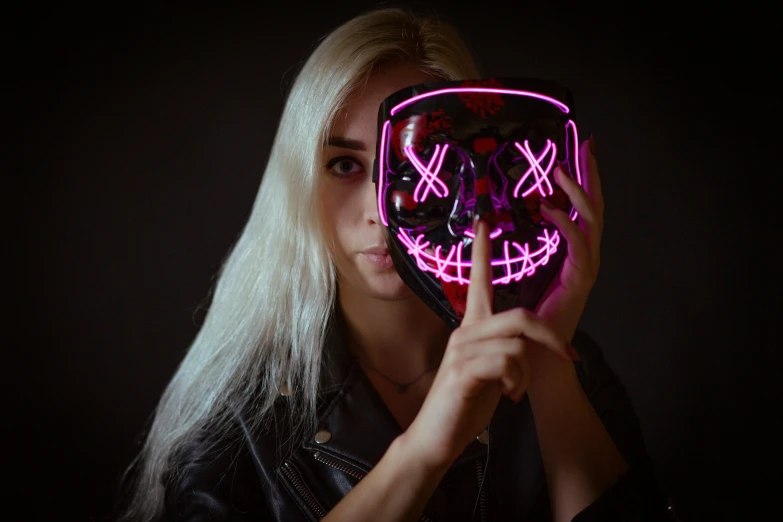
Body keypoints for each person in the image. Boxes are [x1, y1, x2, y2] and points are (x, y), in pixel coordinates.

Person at [116, 7, 676, 522]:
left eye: (414, 163)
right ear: (298, 183)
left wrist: (547, 362)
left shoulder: (573, 367)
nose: (380, 213)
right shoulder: (238, 427)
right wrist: (427, 446)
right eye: (344, 165)